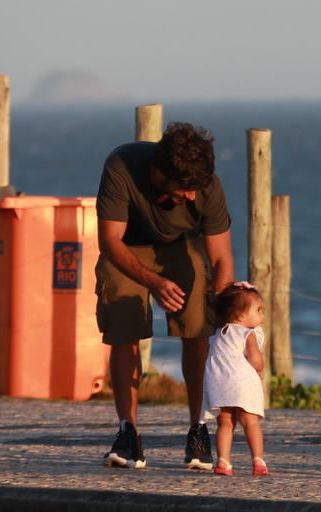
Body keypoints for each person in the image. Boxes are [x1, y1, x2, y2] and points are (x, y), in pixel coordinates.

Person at [96, 122, 234, 470]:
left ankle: (198, 430)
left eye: (195, 189)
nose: (190, 196)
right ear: (160, 173)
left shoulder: (206, 187)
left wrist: (223, 309)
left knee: (197, 329)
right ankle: (129, 433)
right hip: (127, 248)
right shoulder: (121, 166)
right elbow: (109, 241)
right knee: (124, 329)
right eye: (184, 188)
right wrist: (153, 282)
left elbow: (221, 259)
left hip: (181, 248)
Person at [201, 281, 269, 477]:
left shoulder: (215, 335)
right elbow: (255, 359)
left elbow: (212, 358)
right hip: (242, 383)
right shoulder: (248, 333)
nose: (262, 316)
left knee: (225, 422)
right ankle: (258, 461)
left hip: (219, 382)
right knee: (250, 422)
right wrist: (260, 369)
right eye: (258, 310)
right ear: (241, 315)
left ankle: (223, 461)